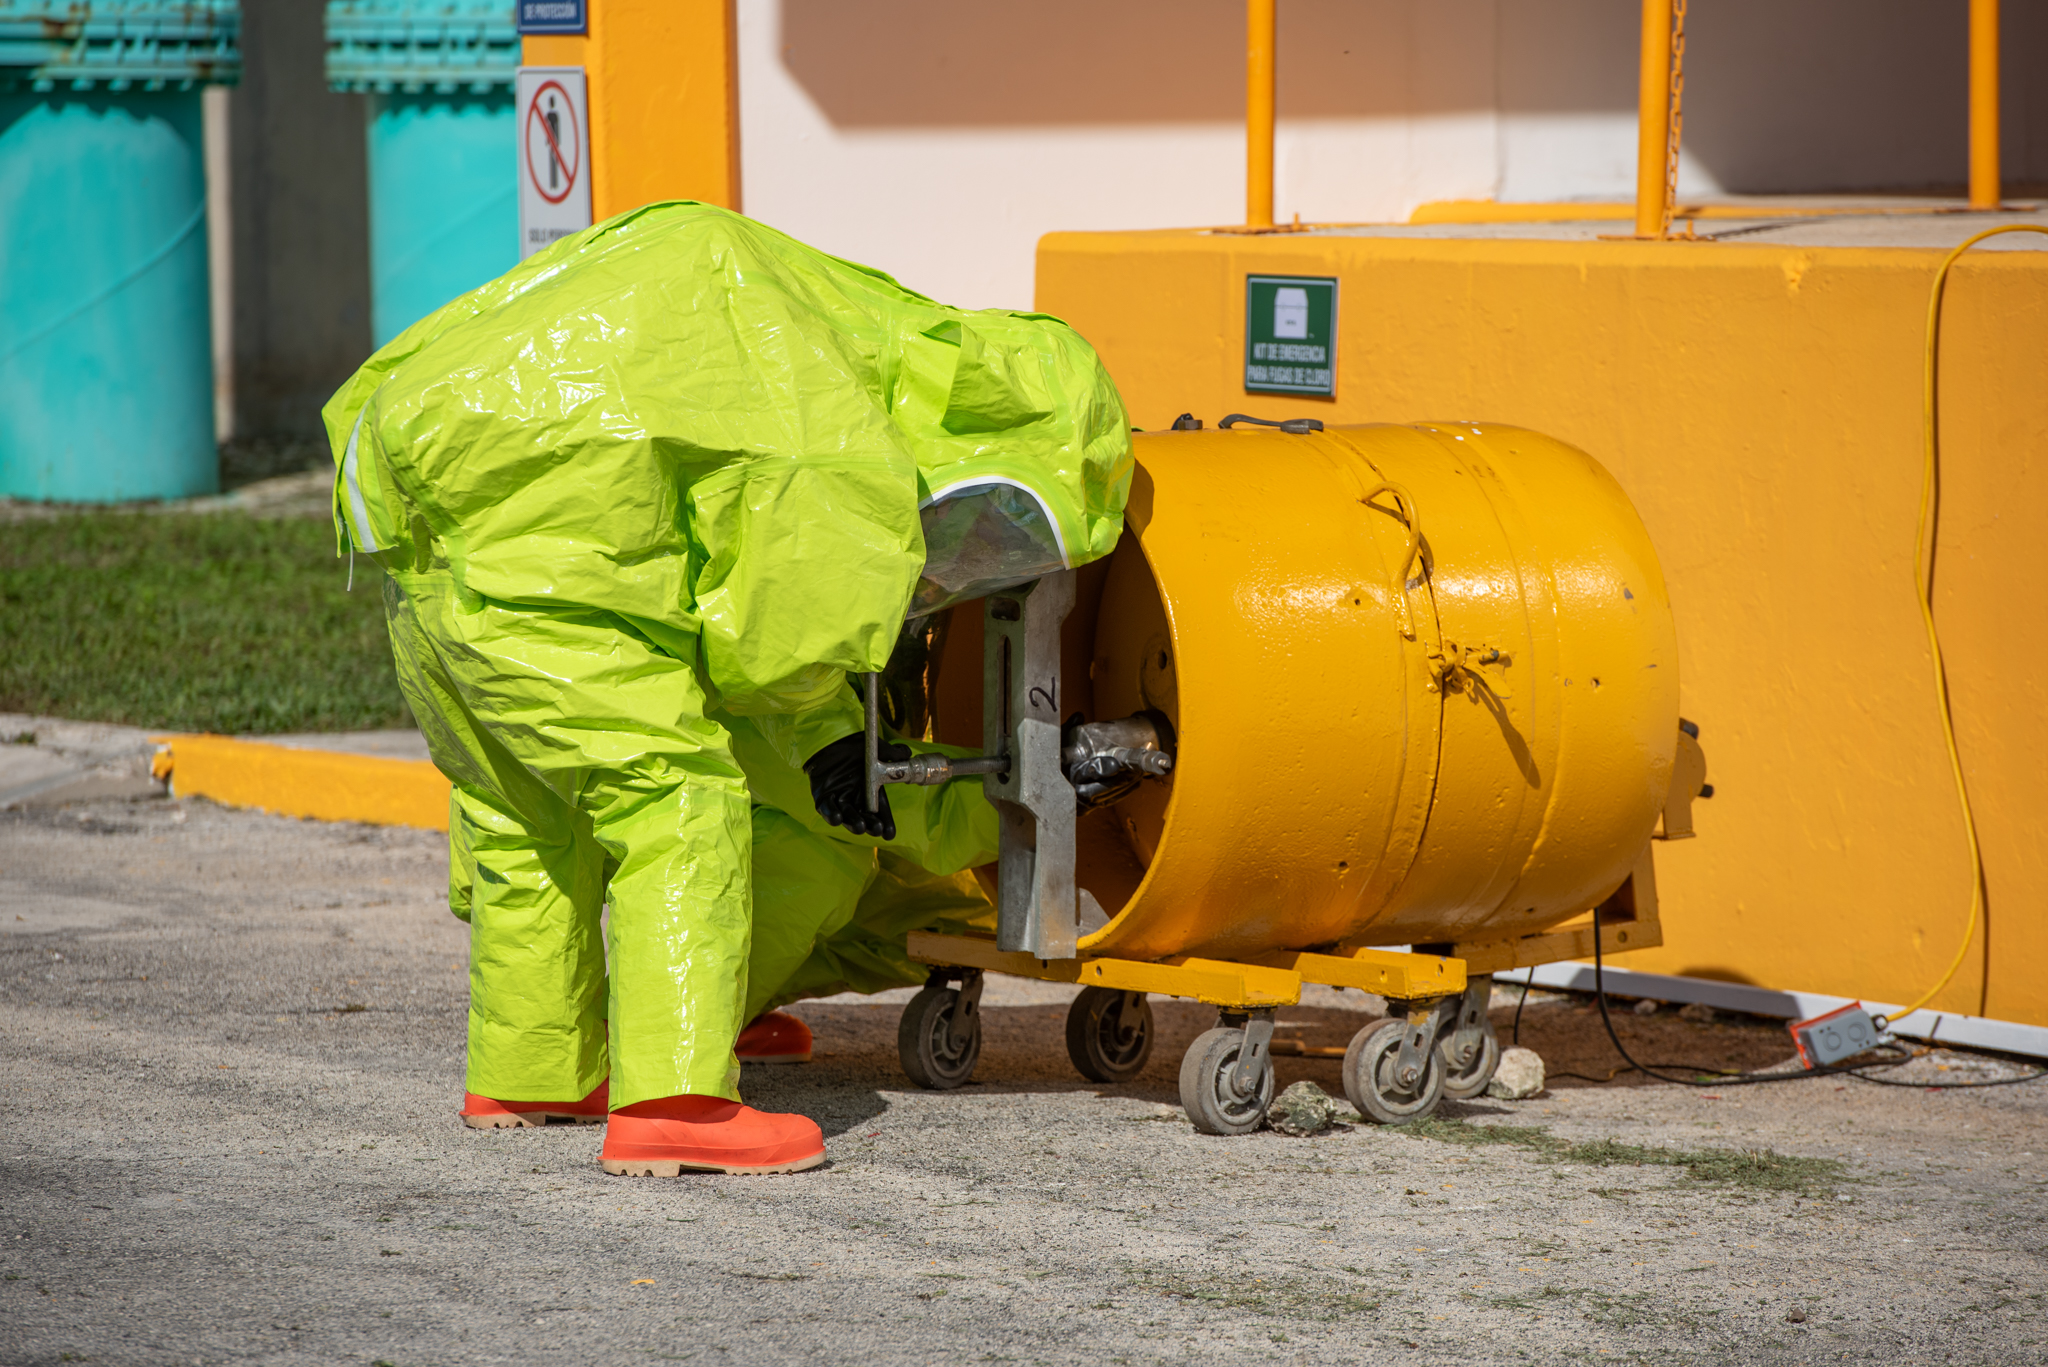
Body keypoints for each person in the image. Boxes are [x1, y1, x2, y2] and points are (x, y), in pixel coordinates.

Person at [323, 202, 1129, 1176]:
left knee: (526, 812)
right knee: (679, 800)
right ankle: (675, 1101)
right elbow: (778, 620)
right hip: (547, 556)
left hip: (425, 536)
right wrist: (833, 730)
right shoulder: (819, 392)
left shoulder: (760, 290)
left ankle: (533, 1068)